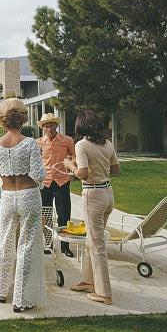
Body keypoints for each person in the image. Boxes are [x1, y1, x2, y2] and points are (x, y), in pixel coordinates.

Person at [0, 98, 47, 313]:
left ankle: (1, 290)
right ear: (22, 120)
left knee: (7, 242)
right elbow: (39, 175)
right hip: (28, 195)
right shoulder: (30, 143)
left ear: (2, 121)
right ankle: (20, 299)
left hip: (8, 197)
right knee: (27, 244)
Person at [63, 110, 120, 306]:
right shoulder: (108, 144)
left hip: (93, 195)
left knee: (97, 246)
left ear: (81, 126)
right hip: (108, 194)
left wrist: (70, 165)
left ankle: (104, 293)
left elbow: (84, 174)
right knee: (91, 239)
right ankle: (88, 281)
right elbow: (116, 170)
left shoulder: (81, 145)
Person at [36, 113, 76, 258]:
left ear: (56, 125)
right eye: (46, 125)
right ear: (43, 128)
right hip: (45, 182)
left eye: (52, 125)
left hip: (62, 181)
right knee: (45, 214)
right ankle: (48, 243)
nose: (49, 128)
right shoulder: (38, 142)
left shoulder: (67, 140)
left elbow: (74, 156)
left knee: (64, 214)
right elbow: (35, 161)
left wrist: (72, 172)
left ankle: (65, 246)